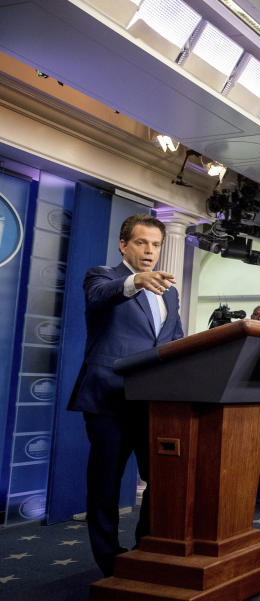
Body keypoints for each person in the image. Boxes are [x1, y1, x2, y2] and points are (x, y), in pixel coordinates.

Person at [67, 214, 184, 576]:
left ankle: (144, 545)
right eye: (141, 243)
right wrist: (135, 281)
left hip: (153, 402)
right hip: (108, 400)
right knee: (106, 483)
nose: (150, 251)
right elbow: (101, 297)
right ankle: (109, 559)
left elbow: (174, 340)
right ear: (124, 245)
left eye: (156, 244)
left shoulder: (171, 291)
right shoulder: (103, 277)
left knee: (161, 478)